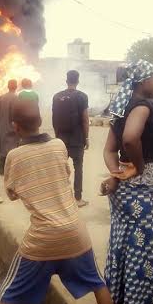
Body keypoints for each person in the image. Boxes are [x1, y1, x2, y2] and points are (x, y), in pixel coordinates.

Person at [0, 100, 134, 304]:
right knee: (97, 284)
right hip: (75, 234)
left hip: (41, 242)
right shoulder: (59, 146)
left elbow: (12, 193)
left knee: (7, 297)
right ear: (42, 121)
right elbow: (64, 176)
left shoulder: (14, 156)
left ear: (15, 127)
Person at [102, 60, 153, 304]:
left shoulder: (122, 107)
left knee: (123, 242)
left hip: (126, 189)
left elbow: (109, 150)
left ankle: (120, 302)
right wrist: (140, 168)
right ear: (143, 82)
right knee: (141, 247)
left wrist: (118, 173)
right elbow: (131, 139)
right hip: (140, 191)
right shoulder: (143, 106)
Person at [52, 70, 89, 207]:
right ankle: (78, 199)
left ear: (66, 81)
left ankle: (60, 199)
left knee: (60, 169)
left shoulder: (56, 97)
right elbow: (85, 120)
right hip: (77, 139)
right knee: (78, 168)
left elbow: (54, 119)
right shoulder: (82, 97)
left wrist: (57, 137)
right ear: (77, 81)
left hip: (61, 139)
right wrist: (86, 138)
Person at [0, 79, 19, 175]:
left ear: (8, 86)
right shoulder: (17, 98)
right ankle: (11, 170)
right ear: (16, 87)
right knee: (12, 148)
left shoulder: (1, 98)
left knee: (4, 147)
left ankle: (1, 169)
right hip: (13, 128)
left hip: (2, 127)